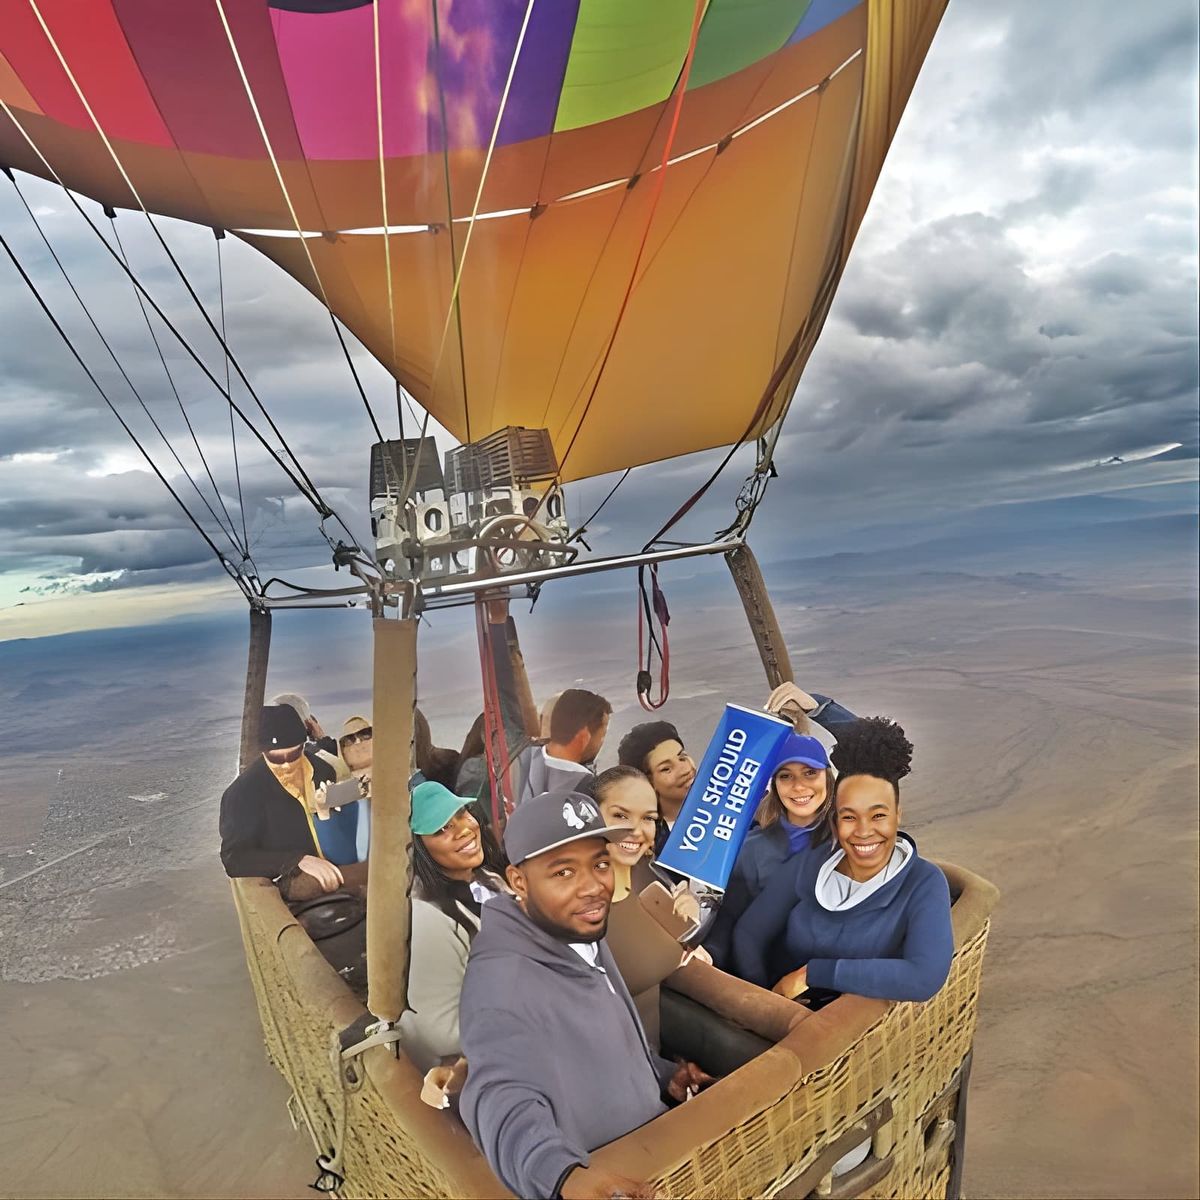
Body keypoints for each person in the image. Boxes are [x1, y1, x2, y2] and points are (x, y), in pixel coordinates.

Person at [459, 791, 711, 1200]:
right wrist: (563, 1176)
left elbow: (606, 1040)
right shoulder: (500, 985)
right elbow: (499, 1100)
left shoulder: (576, 930)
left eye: (599, 864)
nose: (592, 887)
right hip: (608, 1178)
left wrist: (663, 1075)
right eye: (562, 873)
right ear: (518, 881)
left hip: (655, 1151)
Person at [730, 717, 954, 1004]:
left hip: (842, 1027)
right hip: (779, 1012)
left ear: (899, 815)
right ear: (834, 821)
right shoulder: (813, 864)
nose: (863, 831)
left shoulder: (922, 883)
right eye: (849, 816)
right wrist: (767, 1002)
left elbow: (923, 977)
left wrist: (811, 974)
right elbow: (749, 933)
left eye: (878, 816)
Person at [398, 781, 507, 1074]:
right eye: (442, 829)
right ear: (419, 848)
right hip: (465, 1065)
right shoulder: (429, 918)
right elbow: (440, 1032)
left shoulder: (488, 879)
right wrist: (527, 1017)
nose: (464, 829)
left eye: (461, 813)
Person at [704, 733, 833, 969]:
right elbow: (730, 918)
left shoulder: (848, 838)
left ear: (828, 777)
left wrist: (821, 708)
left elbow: (880, 757)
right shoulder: (751, 849)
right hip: (771, 975)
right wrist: (709, 955)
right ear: (774, 784)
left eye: (810, 773)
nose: (799, 786)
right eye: (786, 776)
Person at [219, 704, 366, 900]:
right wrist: (294, 860)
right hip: (295, 879)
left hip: (340, 863)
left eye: (293, 754)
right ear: (263, 751)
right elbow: (233, 859)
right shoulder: (242, 794)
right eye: (276, 758)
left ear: (303, 746)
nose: (287, 764)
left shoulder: (325, 769)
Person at [513, 688, 612, 804]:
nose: (601, 742)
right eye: (602, 735)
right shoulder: (588, 792)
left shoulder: (517, 760)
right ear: (583, 736)